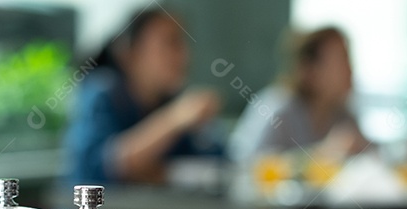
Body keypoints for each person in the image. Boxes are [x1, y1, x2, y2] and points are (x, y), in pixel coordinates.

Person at [63, 9, 222, 186]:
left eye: (184, 43)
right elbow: (107, 165)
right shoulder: (103, 93)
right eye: (171, 43)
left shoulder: (171, 101)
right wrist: (176, 118)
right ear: (130, 52)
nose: (184, 56)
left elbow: (214, 162)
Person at [230, 26, 368, 164]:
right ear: (310, 70)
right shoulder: (278, 108)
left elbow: (373, 156)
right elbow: (245, 163)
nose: (350, 69)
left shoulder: (342, 115)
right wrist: (322, 153)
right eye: (342, 59)